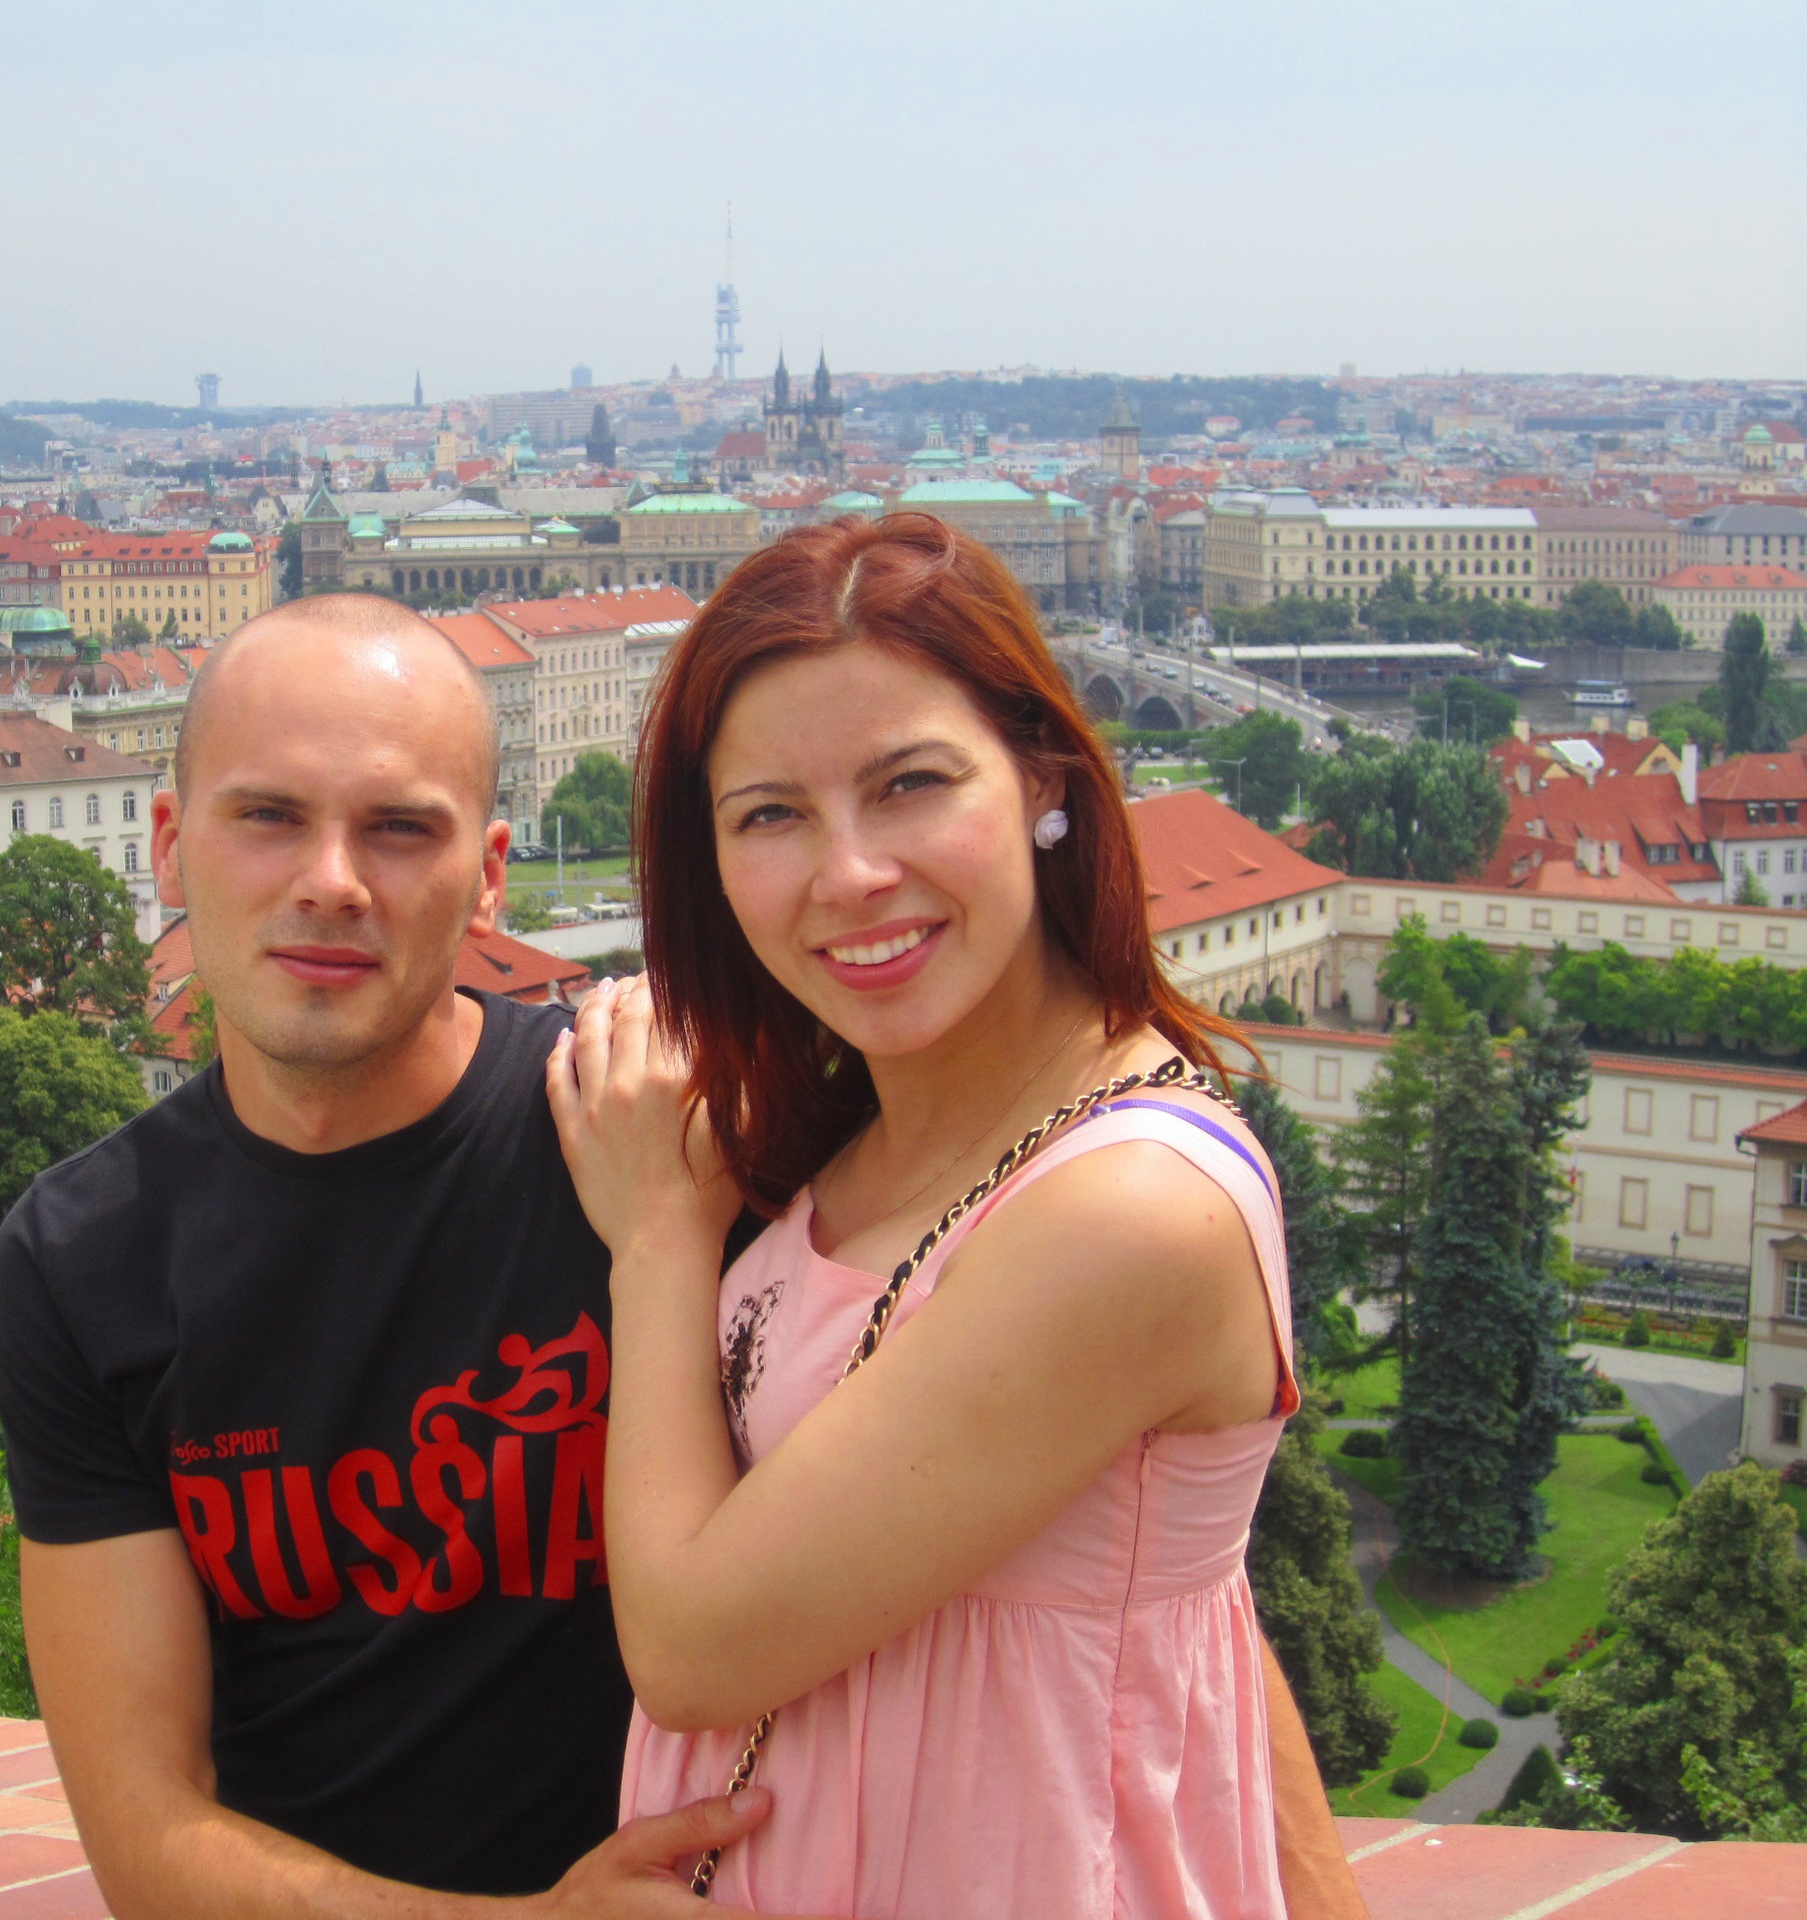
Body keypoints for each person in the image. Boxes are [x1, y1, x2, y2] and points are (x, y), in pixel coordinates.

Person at [0, 591, 1364, 1920]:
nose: (331, 882)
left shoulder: (670, 1138)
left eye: (401, 828)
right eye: (268, 817)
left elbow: (1119, 1541)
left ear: (490, 871)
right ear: (169, 844)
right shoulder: (83, 1260)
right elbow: (146, 1837)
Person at [546, 513, 1360, 1918]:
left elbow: (691, 1651)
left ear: (1044, 776)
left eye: (910, 784)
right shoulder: (864, 1133)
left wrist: (661, 1238)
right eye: (770, 815)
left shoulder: (1131, 1207)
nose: (849, 874)